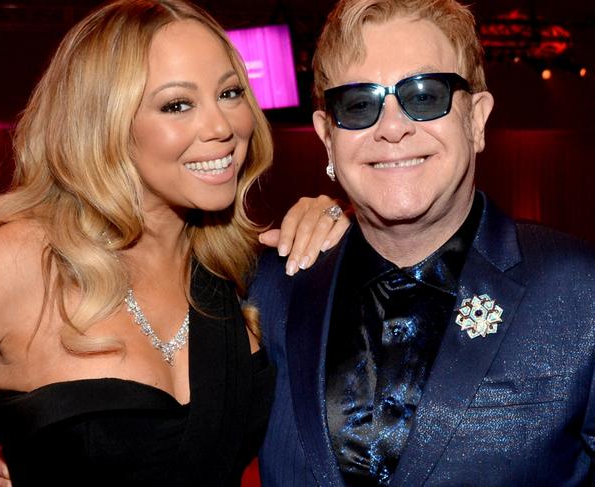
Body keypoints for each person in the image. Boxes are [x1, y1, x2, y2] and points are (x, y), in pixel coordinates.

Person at [0, 1, 349, 486]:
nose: (221, 127)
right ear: (105, 123)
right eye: (177, 104)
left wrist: (341, 216)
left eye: (229, 92)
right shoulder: (27, 260)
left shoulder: (242, 272)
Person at [252, 0, 595, 485]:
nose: (392, 128)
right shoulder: (273, 288)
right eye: (359, 104)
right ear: (327, 138)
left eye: (426, 94)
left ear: (476, 120)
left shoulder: (580, 292)